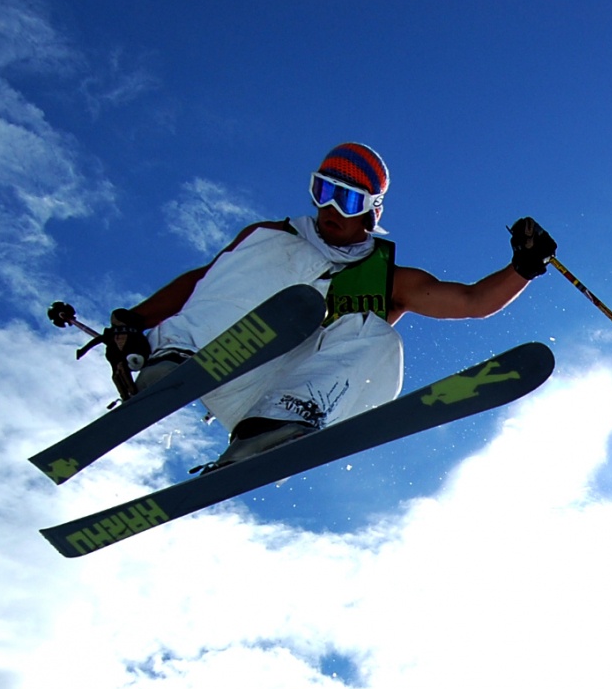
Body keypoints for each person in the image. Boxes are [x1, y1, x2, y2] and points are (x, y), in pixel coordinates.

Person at [107, 143, 556, 466]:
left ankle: (273, 428)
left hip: (295, 398)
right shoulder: (271, 238)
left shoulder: (388, 279)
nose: (330, 209)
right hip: (223, 365)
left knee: (376, 332)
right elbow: (205, 283)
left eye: (347, 199)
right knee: (271, 242)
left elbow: (471, 302)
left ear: (371, 212)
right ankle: (176, 357)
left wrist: (524, 267)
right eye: (322, 191)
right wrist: (135, 322)